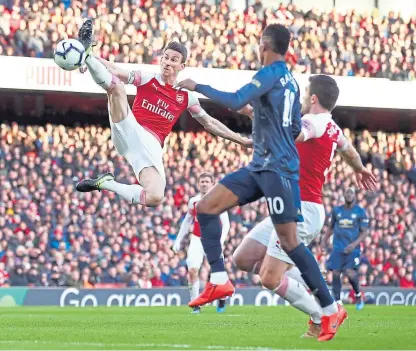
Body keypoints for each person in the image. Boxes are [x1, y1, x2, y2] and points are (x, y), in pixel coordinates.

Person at [177, 24, 346, 341]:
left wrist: (197, 85)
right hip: (261, 165)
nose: (257, 48)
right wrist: (260, 121)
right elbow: (291, 123)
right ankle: (218, 278)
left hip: (278, 171)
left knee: (291, 243)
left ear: (265, 44)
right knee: (206, 207)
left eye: (258, 43)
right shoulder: (293, 84)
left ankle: (328, 308)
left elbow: (236, 98)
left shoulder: (270, 73)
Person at [233, 75, 376, 338]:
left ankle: (323, 314)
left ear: (313, 98)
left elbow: (294, 134)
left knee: (269, 278)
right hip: (289, 207)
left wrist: (253, 114)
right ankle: (320, 290)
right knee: (242, 258)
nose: (301, 97)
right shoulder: (334, 128)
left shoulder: (314, 122)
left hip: (303, 211)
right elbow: (350, 152)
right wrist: (360, 169)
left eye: (305, 92)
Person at [73, 19, 251, 206]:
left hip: (149, 148)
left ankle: (107, 184)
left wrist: (241, 140)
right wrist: (93, 60)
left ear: (182, 66)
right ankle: (87, 54)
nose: (167, 62)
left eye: (173, 60)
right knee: (116, 87)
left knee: (155, 197)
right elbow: (117, 70)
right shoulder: (148, 78)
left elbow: (210, 123)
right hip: (131, 128)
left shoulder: (186, 97)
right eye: (165, 57)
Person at [173, 172, 230, 314]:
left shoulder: (218, 200)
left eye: (206, 181)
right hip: (197, 239)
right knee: (192, 270)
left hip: (213, 241)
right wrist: (178, 240)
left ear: (212, 184)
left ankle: (222, 298)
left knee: (218, 274)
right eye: (202, 181)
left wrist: (221, 241)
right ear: (198, 184)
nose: (204, 184)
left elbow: (226, 224)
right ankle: (195, 304)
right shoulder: (193, 201)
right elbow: (187, 221)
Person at [321, 187, 369, 311]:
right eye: (347, 192)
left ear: (355, 195)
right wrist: (323, 240)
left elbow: (364, 232)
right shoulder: (337, 211)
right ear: (343, 195)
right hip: (338, 247)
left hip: (353, 249)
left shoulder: (360, 211)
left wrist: (354, 244)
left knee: (350, 273)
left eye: (351, 192)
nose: (349, 195)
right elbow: (331, 227)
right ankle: (337, 302)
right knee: (336, 273)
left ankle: (358, 295)